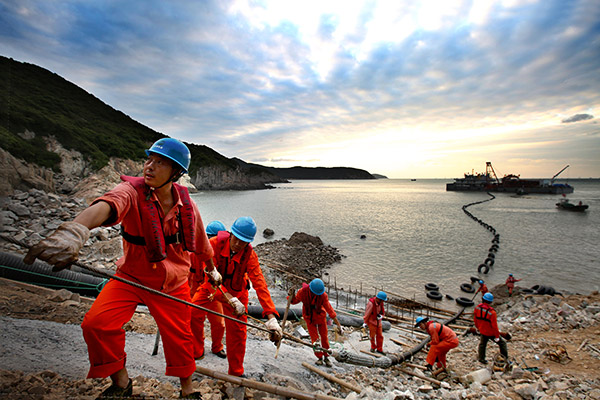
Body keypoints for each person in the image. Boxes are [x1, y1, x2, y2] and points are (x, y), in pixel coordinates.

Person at [23, 137, 218, 398]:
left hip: (172, 283)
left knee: (180, 339)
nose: (149, 166)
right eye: (149, 160)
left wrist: (211, 269)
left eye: (160, 163)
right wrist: (76, 230)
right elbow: (109, 204)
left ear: (176, 173)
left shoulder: (187, 207)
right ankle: (121, 383)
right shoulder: (131, 192)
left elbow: (203, 246)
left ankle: (187, 392)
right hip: (131, 277)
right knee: (96, 324)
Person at [199, 216, 282, 377]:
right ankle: (194, 353)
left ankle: (236, 372)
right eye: (236, 239)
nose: (238, 244)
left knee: (237, 333)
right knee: (192, 311)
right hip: (211, 288)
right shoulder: (214, 244)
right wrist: (228, 297)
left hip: (237, 294)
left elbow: (260, 284)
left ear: (248, 242)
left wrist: (271, 317)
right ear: (230, 234)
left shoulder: (250, 255)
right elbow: (207, 276)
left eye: (243, 242)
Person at [189, 220, 228, 360]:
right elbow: (187, 271)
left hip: (212, 290)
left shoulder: (222, 254)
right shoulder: (194, 252)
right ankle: (197, 350)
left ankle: (217, 347)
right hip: (195, 289)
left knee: (219, 322)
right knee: (195, 320)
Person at [289, 278, 343, 367]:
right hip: (309, 318)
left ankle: (326, 356)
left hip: (320, 318)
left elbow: (330, 310)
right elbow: (294, 301)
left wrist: (339, 325)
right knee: (315, 339)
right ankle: (319, 358)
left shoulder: (323, 296)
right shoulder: (302, 292)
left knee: (324, 337)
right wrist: (291, 297)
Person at [474, 293, 508, 364]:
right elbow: (494, 326)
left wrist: (477, 327)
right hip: (490, 332)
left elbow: (475, 319)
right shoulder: (492, 312)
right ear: (490, 302)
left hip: (482, 330)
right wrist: (497, 336)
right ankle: (505, 359)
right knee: (502, 343)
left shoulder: (477, 308)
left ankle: (481, 358)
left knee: (482, 344)